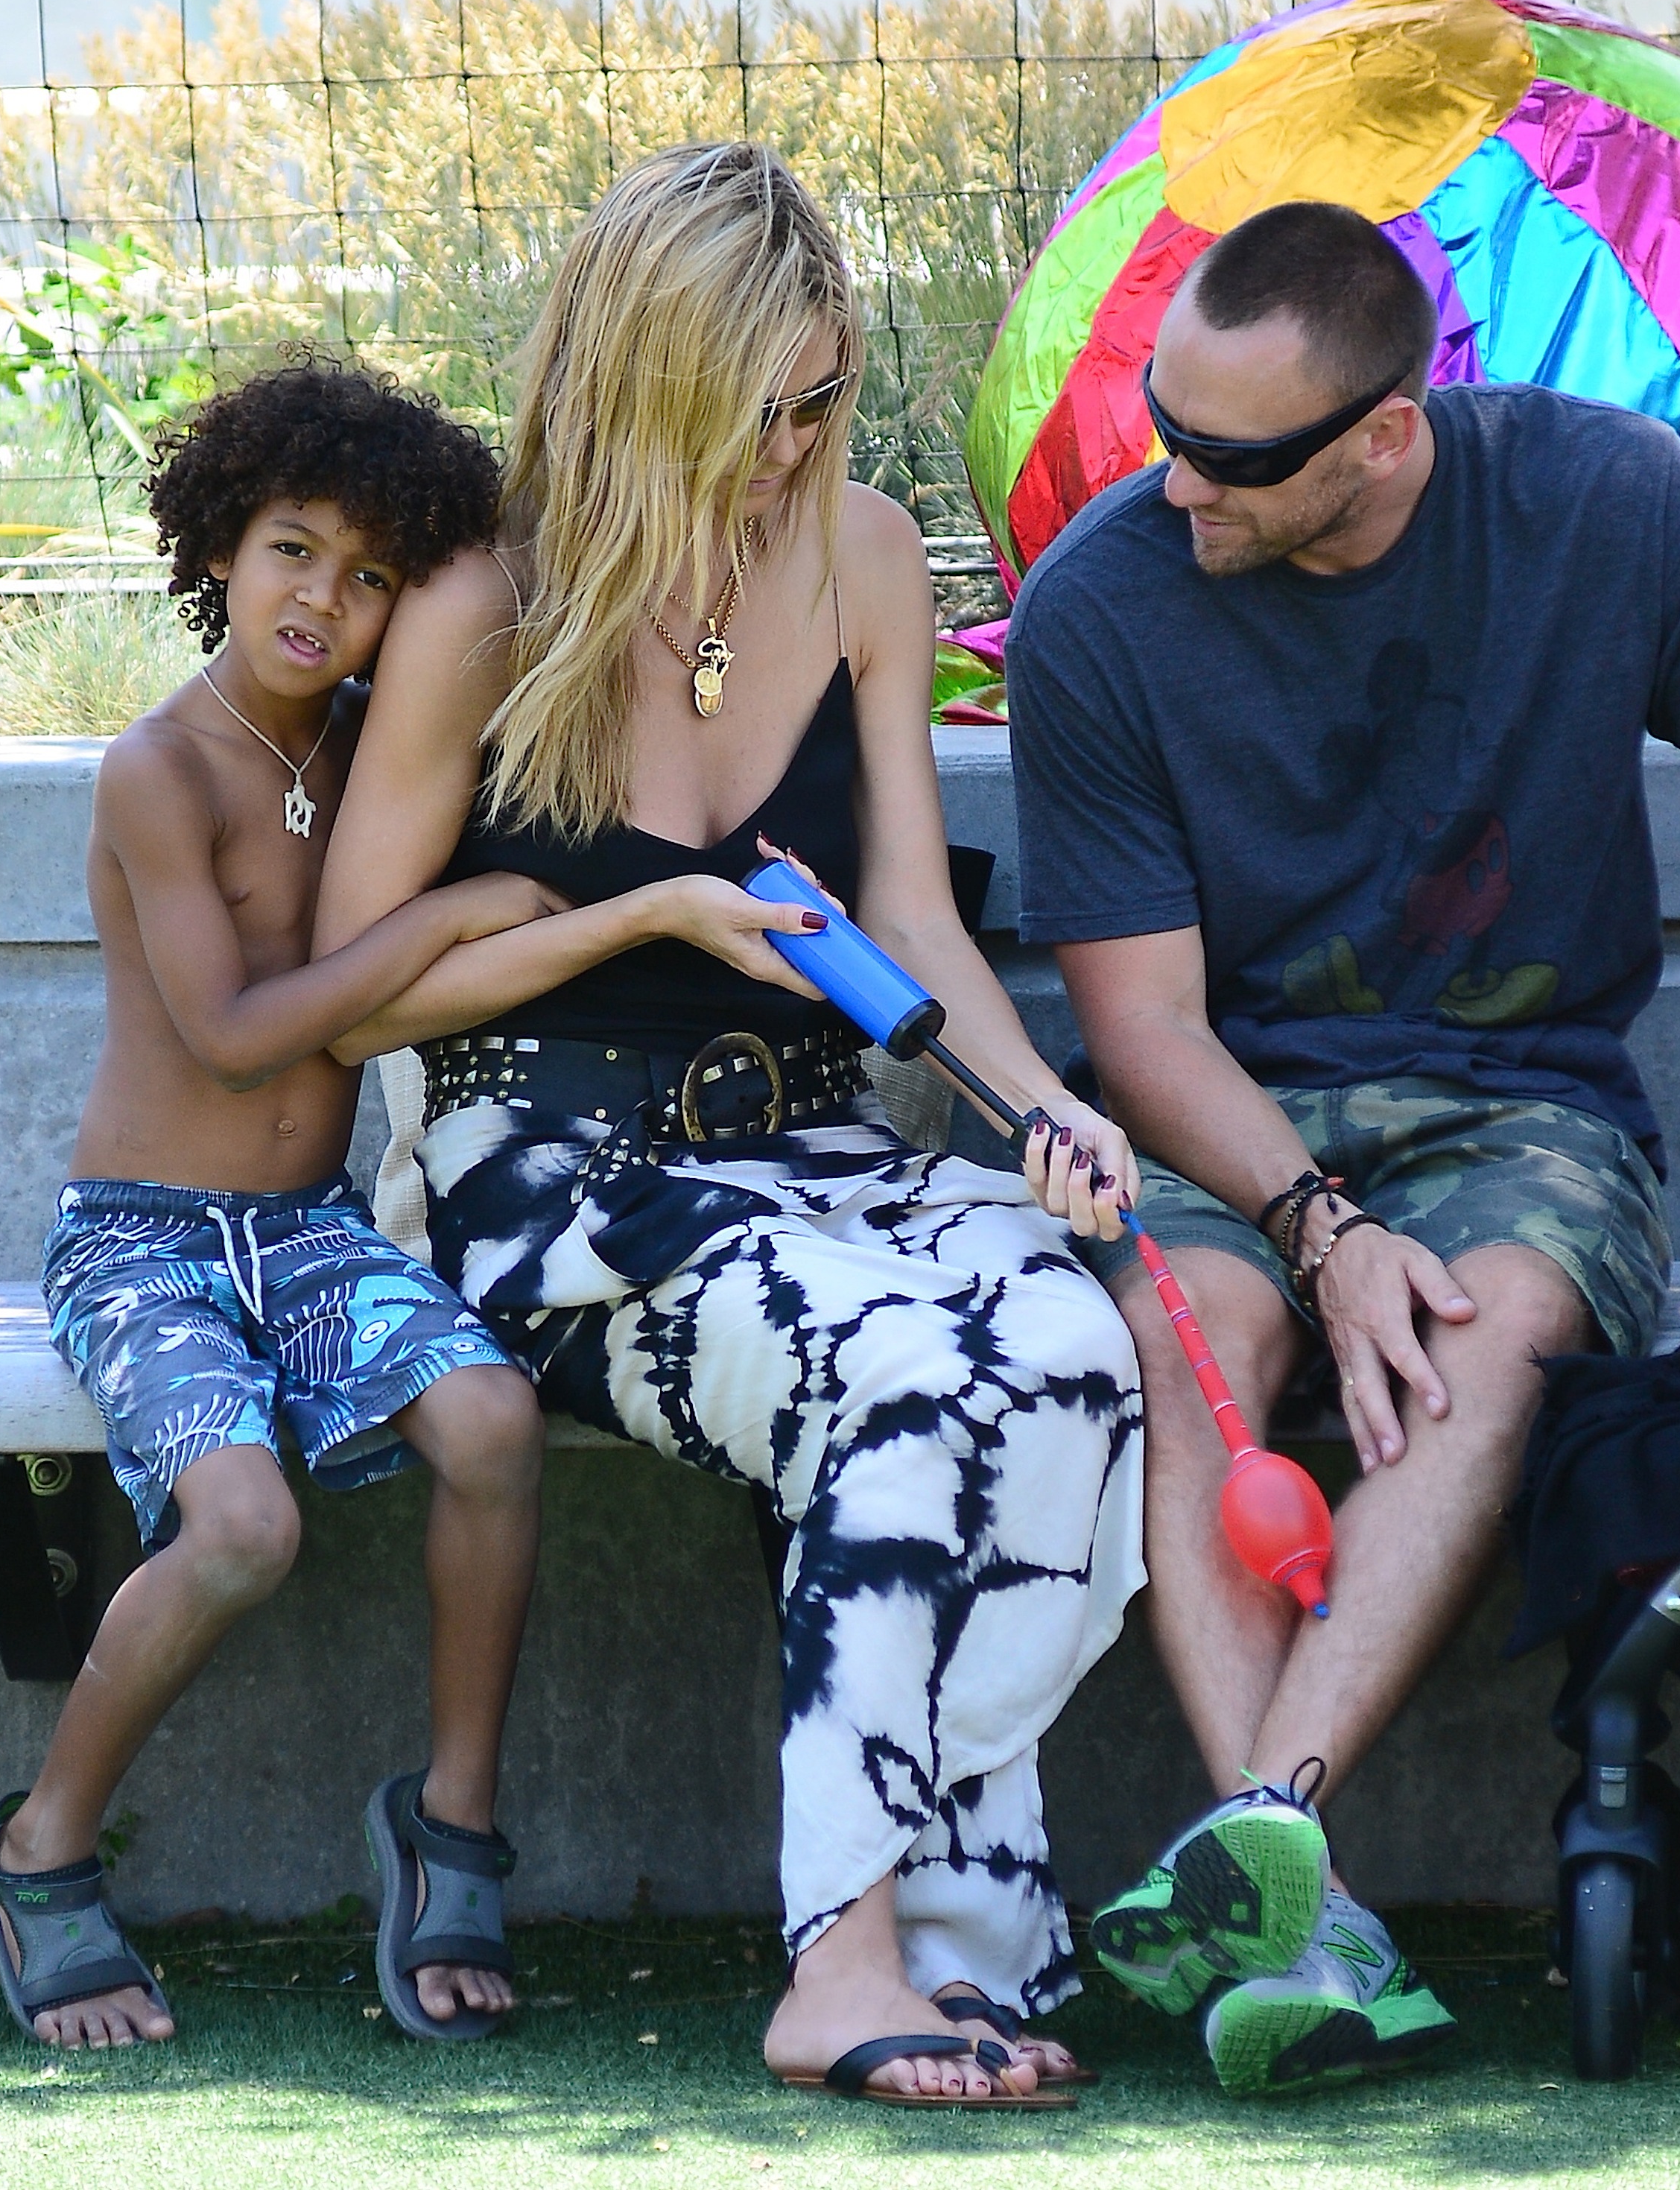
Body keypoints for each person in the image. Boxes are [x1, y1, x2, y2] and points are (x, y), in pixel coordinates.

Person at [1006, 199, 1680, 2096]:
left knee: (1500, 1332)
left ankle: (1266, 1855)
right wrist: (1314, 1220)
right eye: (1158, 421)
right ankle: (1303, 1893)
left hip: (1523, 1107)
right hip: (1234, 1115)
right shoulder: (1100, 608)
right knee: (1185, 1342)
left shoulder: (1604, 504)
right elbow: (1141, 1029)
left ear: (1386, 432)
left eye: (1229, 455)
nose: (1170, 479)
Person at [311, 142, 1145, 2108]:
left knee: (1062, 1339)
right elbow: (354, 989)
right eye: (754, 410)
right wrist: (660, 915)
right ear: (641, 375)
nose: (790, 447)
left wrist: (1046, 1106)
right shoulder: (481, 593)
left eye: (824, 399)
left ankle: (957, 1937)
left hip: (823, 1138)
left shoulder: (861, 549)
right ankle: (837, 1957)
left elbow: (915, 918)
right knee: (882, 1361)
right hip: (541, 1179)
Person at [0, 361, 554, 2051]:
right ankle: (39, 1846)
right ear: (220, 542)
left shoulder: (381, 751)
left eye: (373, 576)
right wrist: (449, 923)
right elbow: (227, 1035)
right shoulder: (162, 770)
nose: (326, 600)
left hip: (306, 1235)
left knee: (495, 1417)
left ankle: (452, 1821)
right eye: (294, 549)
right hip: (143, 1232)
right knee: (243, 1524)